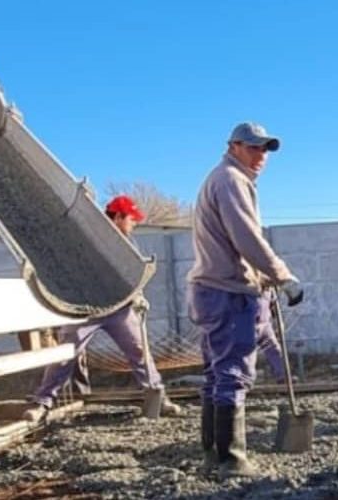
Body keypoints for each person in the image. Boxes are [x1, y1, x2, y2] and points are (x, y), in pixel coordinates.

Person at [187, 122, 303, 479]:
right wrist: (282, 276)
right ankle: (232, 460)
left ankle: (213, 455)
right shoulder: (231, 180)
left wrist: (263, 276)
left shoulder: (221, 178)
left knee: (216, 375)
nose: (261, 155)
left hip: (212, 289)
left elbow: (234, 241)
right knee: (233, 375)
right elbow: (246, 238)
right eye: (254, 148)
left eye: (265, 149)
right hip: (229, 292)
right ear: (234, 146)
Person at [24, 195, 181, 421]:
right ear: (117, 217)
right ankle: (42, 403)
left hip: (119, 307)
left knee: (139, 351)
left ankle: (158, 396)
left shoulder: (128, 243)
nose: (134, 224)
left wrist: (138, 296)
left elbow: (132, 274)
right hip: (85, 308)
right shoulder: (87, 237)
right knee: (66, 354)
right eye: (131, 219)